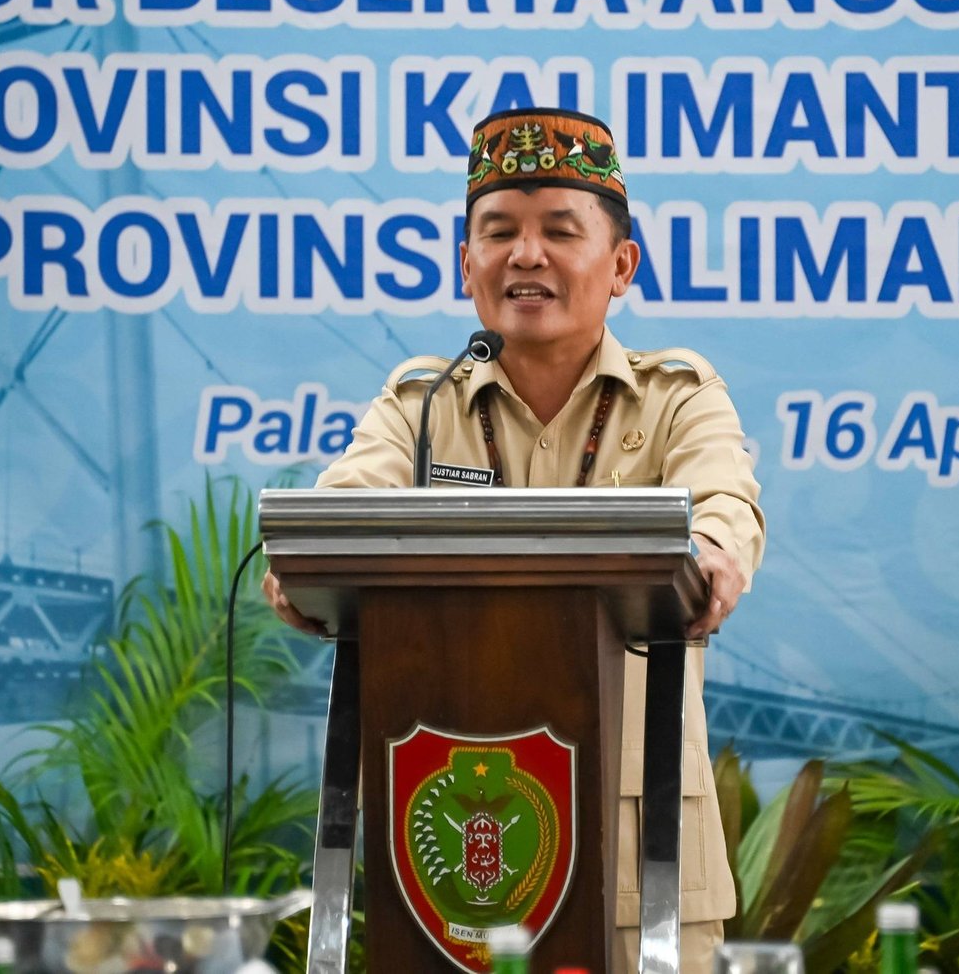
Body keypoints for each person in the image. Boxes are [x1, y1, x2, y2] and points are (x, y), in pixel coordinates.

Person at [263, 106, 765, 972]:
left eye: (559, 232)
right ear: (467, 265)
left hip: (642, 862)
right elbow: (346, 504)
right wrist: (305, 567)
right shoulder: (420, 406)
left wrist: (716, 553)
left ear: (621, 265)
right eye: (498, 234)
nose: (525, 256)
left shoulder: (678, 397)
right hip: (451, 864)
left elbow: (726, 501)